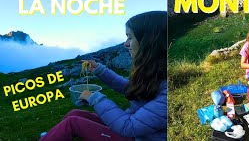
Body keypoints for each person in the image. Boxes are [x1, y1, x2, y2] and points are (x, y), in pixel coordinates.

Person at [40, 11, 167, 141]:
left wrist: (95, 99)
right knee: (75, 113)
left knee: (72, 123)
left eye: (130, 37)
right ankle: (53, 136)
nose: (126, 43)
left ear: (148, 42)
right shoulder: (158, 73)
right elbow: (131, 89)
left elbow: (128, 127)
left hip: (137, 136)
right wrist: (99, 70)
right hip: (139, 133)